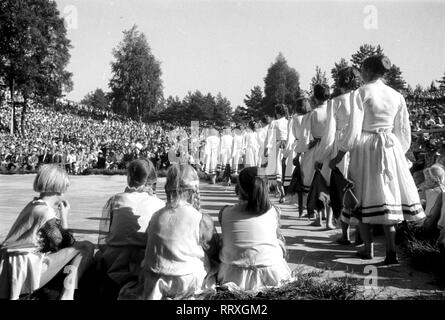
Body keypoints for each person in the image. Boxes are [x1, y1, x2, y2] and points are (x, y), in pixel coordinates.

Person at [330, 55, 425, 264]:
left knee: (363, 196)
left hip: (366, 146)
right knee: (386, 197)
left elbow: (354, 129)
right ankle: (391, 252)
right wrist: (397, 153)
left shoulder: (361, 93)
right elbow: (403, 131)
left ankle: (368, 248)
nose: (361, 73)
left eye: (362, 69)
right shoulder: (396, 95)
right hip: (389, 146)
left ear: (368, 70)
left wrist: (340, 154)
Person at [119, 164, 219, 300]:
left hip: (154, 280)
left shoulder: (156, 216)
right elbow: (212, 249)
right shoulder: (200, 219)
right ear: (193, 190)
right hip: (185, 280)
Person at [0, 164, 94, 300]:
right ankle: (68, 294)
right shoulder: (45, 213)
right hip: (26, 268)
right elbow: (65, 244)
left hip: (13, 265)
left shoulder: (34, 205)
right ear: (59, 187)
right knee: (85, 247)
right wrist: (64, 217)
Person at [95, 159, 165, 299]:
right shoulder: (159, 203)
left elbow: (104, 238)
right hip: (144, 259)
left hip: (115, 258)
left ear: (129, 177)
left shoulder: (116, 199)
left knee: (97, 256)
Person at [217, 166, 291, 290]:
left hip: (233, 277)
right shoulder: (274, 211)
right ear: (265, 187)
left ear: (239, 189)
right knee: (278, 241)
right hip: (273, 274)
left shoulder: (225, 213)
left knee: (221, 242)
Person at [316, 66, 361, 244]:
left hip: (340, 144)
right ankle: (360, 234)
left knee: (344, 190)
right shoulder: (361, 97)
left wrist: (321, 158)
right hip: (361, 145)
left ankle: (345, 235)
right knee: (360, 189)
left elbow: (328, 134)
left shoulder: (336, 101)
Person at [301, 84, 333, 229]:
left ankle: (319, 217)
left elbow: (306, 135)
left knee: (317, 182)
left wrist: (305, 147)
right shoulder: (332, 110)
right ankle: (329, 220)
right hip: (332, 147)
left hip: (316, 147)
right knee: (330, 182)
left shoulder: (313, 114)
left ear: (315, 97)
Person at [287, 97, 312, 217]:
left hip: (299, 147)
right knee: (310, 179)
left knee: (299, 180)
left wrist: (296, 153)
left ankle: (301, 209)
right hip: (311, 147)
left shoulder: (295, 119)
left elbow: (294, 135)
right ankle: (312, 209)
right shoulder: (311, 116)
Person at [265, 104, 289, 203]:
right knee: (284, 170)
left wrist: (267, 148)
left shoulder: (274, 122)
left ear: (277, 112)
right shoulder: (288, 122)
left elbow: (269, 137)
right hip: (287, 146)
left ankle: (280, 192)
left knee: (277, 170)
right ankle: (281, 192)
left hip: (277, 146)